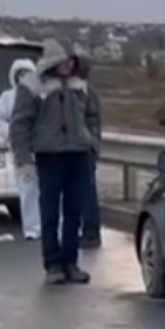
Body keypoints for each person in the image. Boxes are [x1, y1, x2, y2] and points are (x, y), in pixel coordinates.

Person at [9, 40, 101, 285]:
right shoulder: (33, 85)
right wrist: (24, 158)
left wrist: (92, 145)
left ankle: (70, 262)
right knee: (49, 210)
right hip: (49, 154)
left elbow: (93, 116)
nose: (68, 65)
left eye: (71, 60)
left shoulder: (81, 85)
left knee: (74, 211)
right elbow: (20, 123)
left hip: (78, 153)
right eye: (64, 60)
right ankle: (52, 263)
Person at [0, 57, 41, 241]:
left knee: (44, 190)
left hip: (41, 148)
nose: (24, 78)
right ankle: (32, 227)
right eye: (21, 74)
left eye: (27, 74)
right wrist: (11, 133)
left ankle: (47, 225)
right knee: (27, 190)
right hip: (21, 148)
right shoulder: (8, 97)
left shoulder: (40, 95)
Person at [74, 55, 103, 249]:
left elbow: (92, 122)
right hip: (81, 147)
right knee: (83, 191)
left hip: (84, 148)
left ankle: (91, 231)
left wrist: (90, 145)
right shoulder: (82, 91)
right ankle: (87, 229)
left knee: (87, 192)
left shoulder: (85, 93)